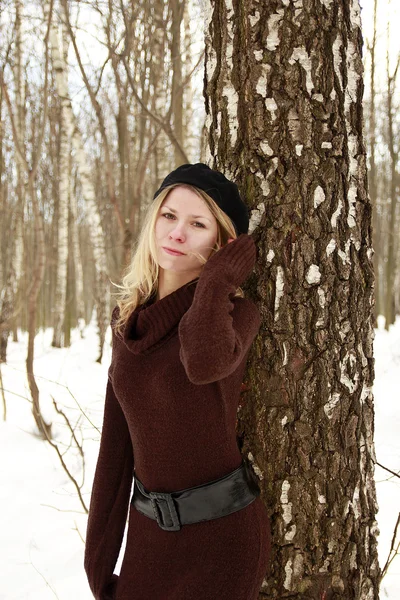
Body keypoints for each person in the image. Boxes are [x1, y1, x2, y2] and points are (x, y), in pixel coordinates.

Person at [84, 163, 272, 600]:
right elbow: (116, 449)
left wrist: (216, 281)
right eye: (169, 216)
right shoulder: (126, 324)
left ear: (223, 242)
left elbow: (203, 363)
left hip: (223, 543)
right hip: (150, 540)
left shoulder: (236, 317)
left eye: (197, 223)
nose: (177, 233)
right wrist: (98, 566)